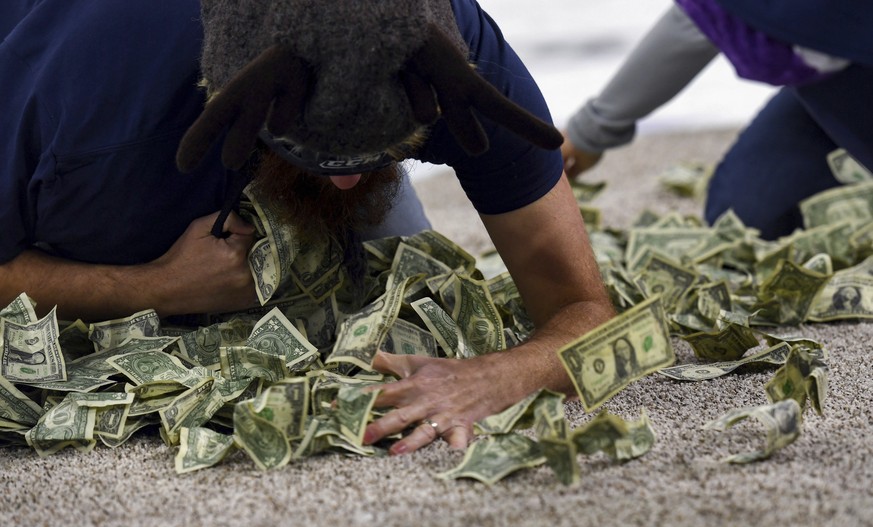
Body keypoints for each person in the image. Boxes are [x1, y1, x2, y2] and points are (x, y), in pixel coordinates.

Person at [0, 0, 615, 454]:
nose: (347, 185)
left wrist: (497, 376)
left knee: (399, 295)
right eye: (313, 156)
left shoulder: (456, 64)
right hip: (115, 129)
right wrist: (155, 287)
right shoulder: (82, 107)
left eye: (380, 154)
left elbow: (592, 318)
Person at [561, 1, 873, 240]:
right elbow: (705, 14)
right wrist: (588, 133)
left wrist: (591, 130)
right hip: (836, 65)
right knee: (744, 219)